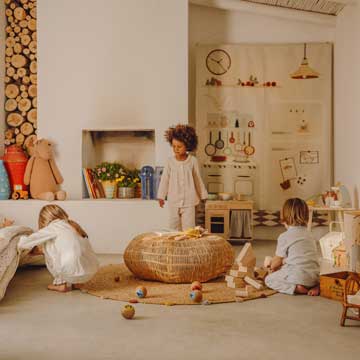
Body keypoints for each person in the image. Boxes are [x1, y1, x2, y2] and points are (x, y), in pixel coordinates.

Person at [18, 205, 99, 292]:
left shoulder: (53, 227)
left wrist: (19, 241)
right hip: (90, 271)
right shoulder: (73, 225)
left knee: (48, 243)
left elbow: (24, 243)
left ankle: (61, 284)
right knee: (70, 248)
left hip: (69, 272)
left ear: (44, 219)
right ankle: (77, 283)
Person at [157, 124, 208, 231]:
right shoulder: (170, 162)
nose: (176, 149)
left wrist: (203, 195)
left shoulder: (193, 161)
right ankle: (175, 246)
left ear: (187, 146)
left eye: (179, 146)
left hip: (189, 201)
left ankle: (187, 246)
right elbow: (165, 179)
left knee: (189, 228)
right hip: (173, 200)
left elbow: (197, 179)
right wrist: (161, 196)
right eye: (174, 146)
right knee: (173, 226)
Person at [265, 198, 320, 296]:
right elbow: (300, 257)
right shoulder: (310, 234)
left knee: (269, 280)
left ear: (284, 217)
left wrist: (270, 264)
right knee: (296, 267)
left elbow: (276, 263)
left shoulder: (284, 236)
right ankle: (315, 286)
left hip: (299, 277)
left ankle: (296, 288)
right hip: (314, 277)